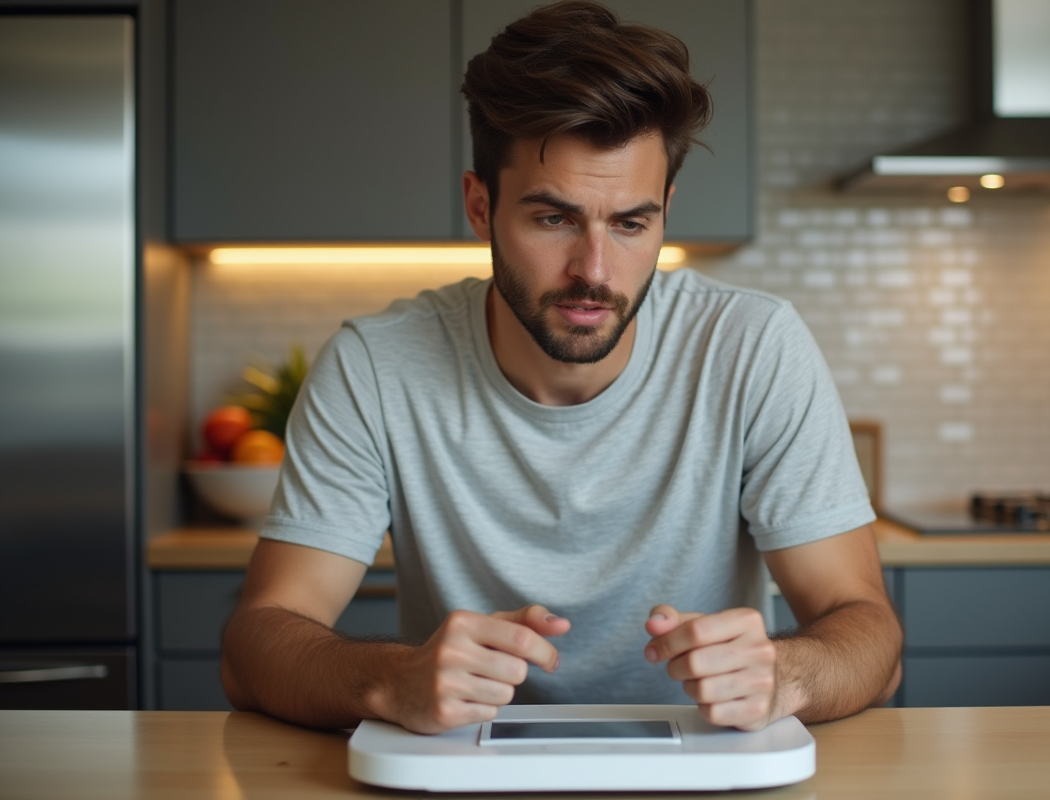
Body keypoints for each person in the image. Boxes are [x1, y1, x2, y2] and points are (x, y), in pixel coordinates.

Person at [221, 0, 902, 735]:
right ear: (480, 208)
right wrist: (389, 678)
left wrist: (785, 674)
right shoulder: (376, 365)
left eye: (631, 223)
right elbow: (256, 644)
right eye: (554, 219)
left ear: (666, 211)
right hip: (465, 772)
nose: (595, 271)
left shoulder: (753, 347)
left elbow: (869, 637)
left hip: (701, 771)